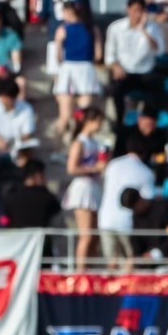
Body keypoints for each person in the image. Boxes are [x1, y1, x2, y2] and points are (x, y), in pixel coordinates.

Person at [97, 138, 155, 270]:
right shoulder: (146, 172)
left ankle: (110, 290)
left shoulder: (112, 165)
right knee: (129, 265)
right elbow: (147, 202)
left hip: (106, 220)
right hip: (127, 223)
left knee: (111, 264)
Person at [106, 0, 163, 122]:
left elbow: (159, 51)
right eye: (135, 10)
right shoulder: (115, 28)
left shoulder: (153, 28)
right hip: (125, 72)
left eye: (140, 11)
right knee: (116, 88)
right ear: (128, 9)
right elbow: (109, 54)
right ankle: (119, 121)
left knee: (157, 86)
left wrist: (144, 30)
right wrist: (116, 66)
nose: (137, 14)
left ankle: (150, 121)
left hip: (145, 72)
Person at [63, 112, 106, 269]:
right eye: (98, 121)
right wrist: (95, 168)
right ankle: (80, 271)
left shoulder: (95, 142)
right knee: (86, 235)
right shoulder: (79, 142)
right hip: (83, 189)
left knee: (95, 236)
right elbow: (72, 168)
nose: (100, 125)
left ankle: (90, 269)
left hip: (93, 187)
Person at [53, 0, 100, 138]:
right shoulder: (93, 29)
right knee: (84, 114)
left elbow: (58, 55)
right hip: (86, 70)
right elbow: (98, 55)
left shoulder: (62, 30)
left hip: (69, 69)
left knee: (65, 116)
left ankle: (61, 145)